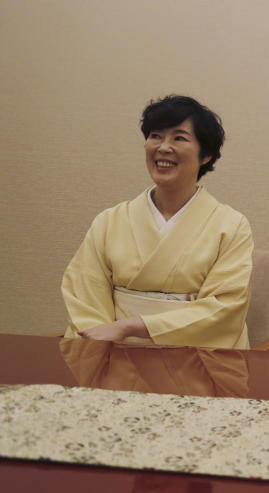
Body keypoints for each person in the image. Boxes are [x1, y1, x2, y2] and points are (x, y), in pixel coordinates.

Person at [61, 95, 253, 349]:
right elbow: (84, 295)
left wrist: (131, 327)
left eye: (179, 138)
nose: (163, 147)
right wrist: (104, 347)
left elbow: (225, 308)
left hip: (198, 359)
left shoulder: (231, 226)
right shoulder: (109, 221)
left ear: (205, 155)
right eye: (155, 136)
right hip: (113, 355)